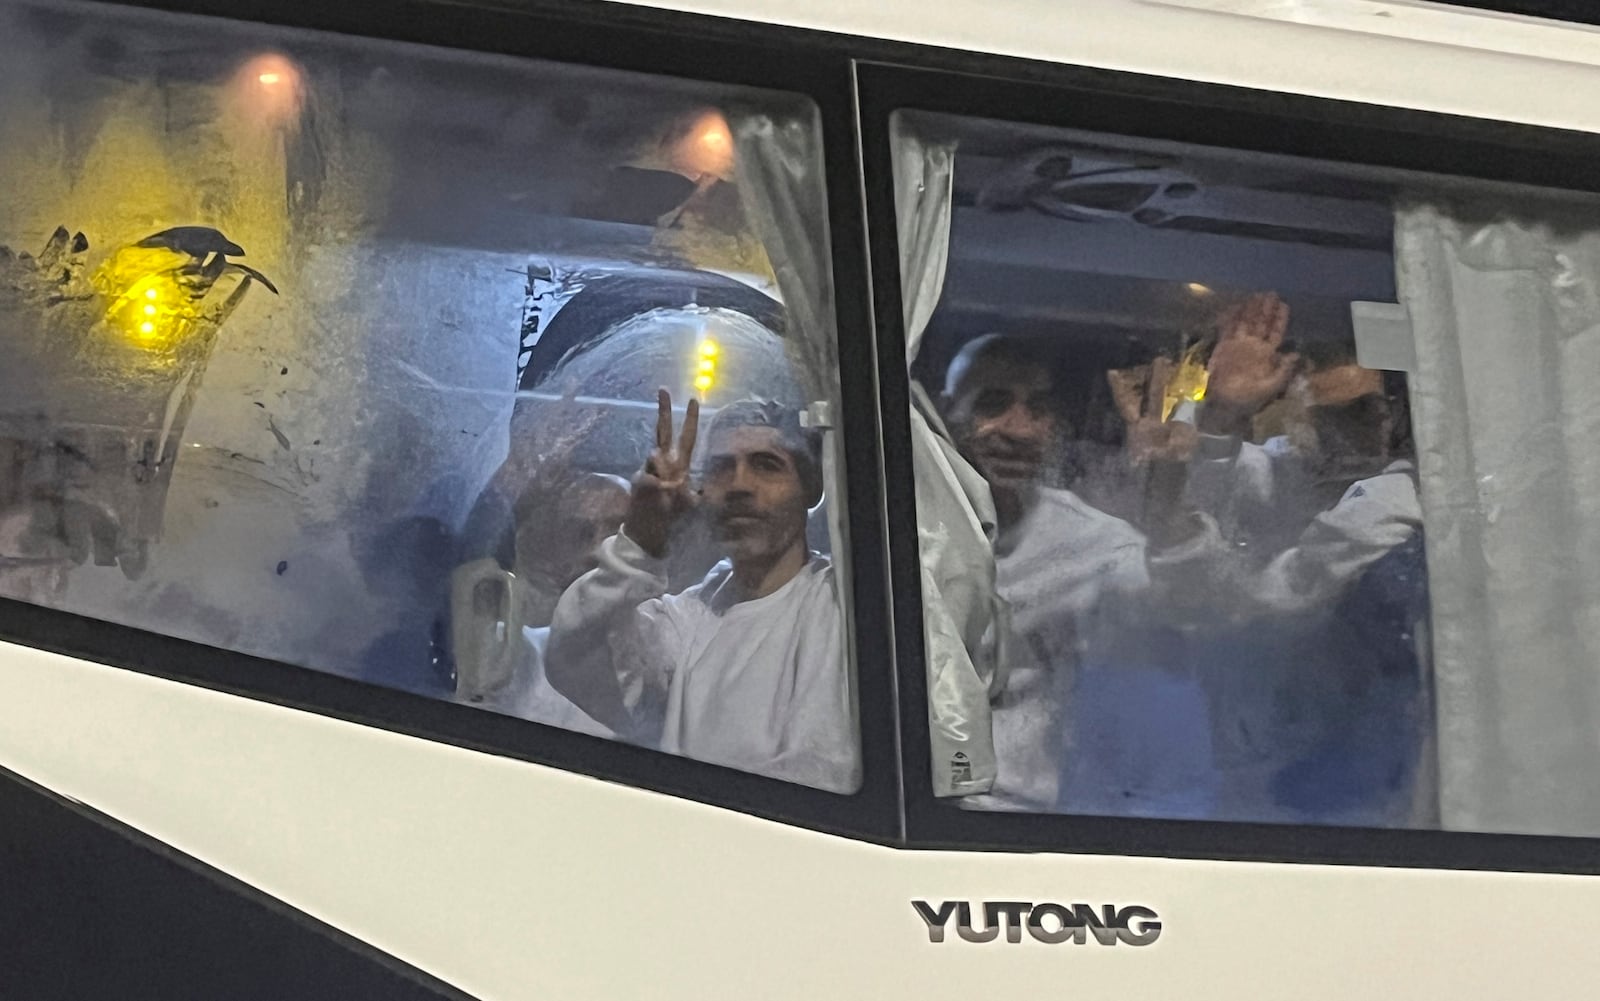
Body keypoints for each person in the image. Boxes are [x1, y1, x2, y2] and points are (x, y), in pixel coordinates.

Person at [1141, 292, 1431, 826]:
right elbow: (1208, 483)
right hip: (1258, 757)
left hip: (1365, 769)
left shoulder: (1402, 502)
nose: (1356, 431)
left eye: (1368, 410)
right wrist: (1223, 412)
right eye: (1330, 417)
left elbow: (1245, 603)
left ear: (1393, 414)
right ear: (1296, 415)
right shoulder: (1285, 470)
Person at [546, 391, 859, 793]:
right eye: (721, 468)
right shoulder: (688, 621)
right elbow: (574, 654)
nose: (739, 485)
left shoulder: (843, 608)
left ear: (811, 488)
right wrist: (639, 543)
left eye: (767, 465)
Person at [939, 335, 1169, 812]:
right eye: (993, 404)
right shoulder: (894, 531)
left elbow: (1190, 614)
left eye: (1039, 409)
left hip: (1021, 828)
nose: (1020, 429)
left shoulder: (1101, 550)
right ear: (947, 415)